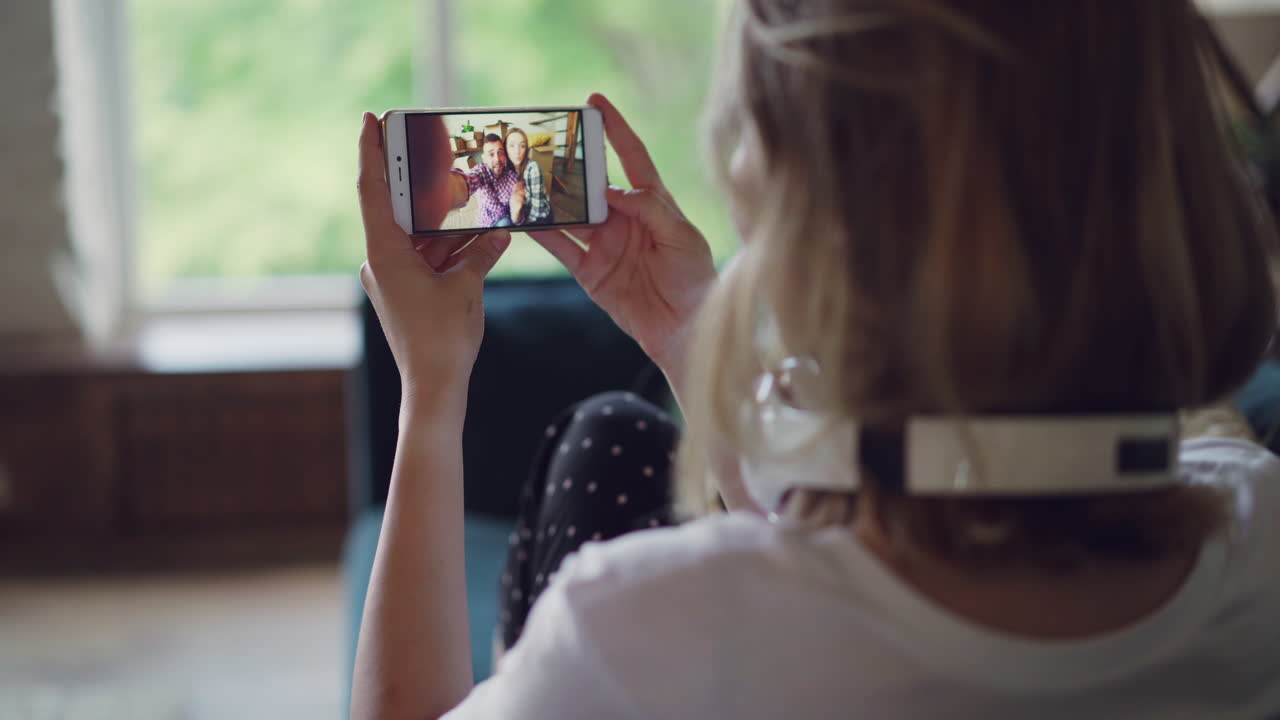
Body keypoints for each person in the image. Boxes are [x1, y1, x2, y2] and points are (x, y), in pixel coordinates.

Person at [351, 1, 1280, 717]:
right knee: (614, 435)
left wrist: (431, 393)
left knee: (605, 442)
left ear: (795, 207)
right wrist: (686, 330)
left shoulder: (646, 631)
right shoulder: (1256, 528)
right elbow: (882, 518)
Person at [446, 132, 526, 228]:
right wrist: (453, 185)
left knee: (507, 222)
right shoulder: (481, 172)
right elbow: (469, 180)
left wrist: (517, 211)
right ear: (484, 158)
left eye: (500, 153)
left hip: (505, 222)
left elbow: (519, 219)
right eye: (491, 154)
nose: (497, 159)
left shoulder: (512, 178)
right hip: (483, 224)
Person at [505, 127, 552, 225]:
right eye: (512, 145)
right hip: (522, 213)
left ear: (526, 149)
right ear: (505, 148)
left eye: (522, 146)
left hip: (539, 217)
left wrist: (523, 225)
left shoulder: (532, 169)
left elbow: (537, 210)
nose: (517, 151)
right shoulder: (507, 169)